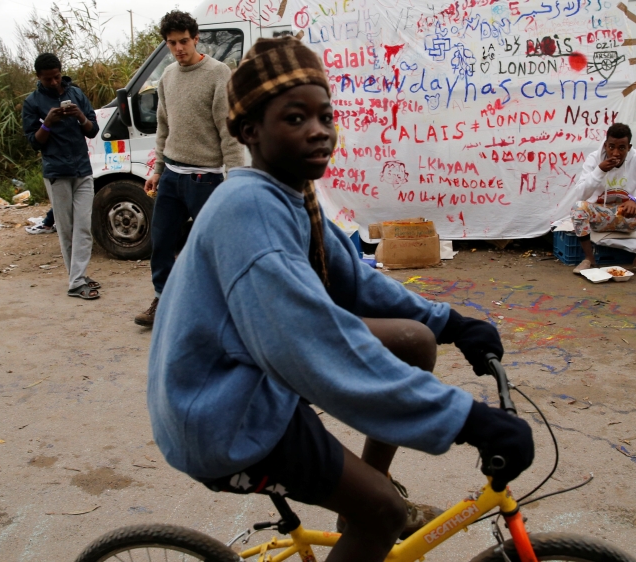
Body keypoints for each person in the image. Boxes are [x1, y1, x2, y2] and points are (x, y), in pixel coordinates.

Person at [146, 37, 534, 562]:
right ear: (249, 132)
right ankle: (369, 509)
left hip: (248, 386)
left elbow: (357, 282)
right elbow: (315, 346)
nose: (318, 130)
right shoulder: (247, 210)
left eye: (325, 116)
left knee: (413, 340)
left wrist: (451, 324)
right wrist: (466, 419)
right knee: (386, 515)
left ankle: (360, 499)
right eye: (295, 118)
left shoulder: (289, 193)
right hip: (224, 421)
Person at [135, 10, 245, 326]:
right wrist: (157, 169)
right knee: (161, 242)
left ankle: (221, 308)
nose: (179, 48)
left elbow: (227, 128)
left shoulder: (217, 72)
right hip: (171, 175)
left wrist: (235, 174)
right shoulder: (168, 76)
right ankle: (164, 301)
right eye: (173, 43)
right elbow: (163, 124)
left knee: (210, 246)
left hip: (205, 176)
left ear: (196, 39)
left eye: (184, 41)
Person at [22, 53, 101, 299]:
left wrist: (80, 116)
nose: (55, 83)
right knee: (66, 229)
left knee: (84, 225)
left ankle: (76, 278)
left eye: (57, 77)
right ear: (38, 77)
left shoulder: (75, 94)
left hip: (82, 169)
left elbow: (93, 130)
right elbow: (34, 142)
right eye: (48, 79)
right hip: (57, 172)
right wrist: (47, 123)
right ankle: (76, 280)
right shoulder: (32, 103)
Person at [569, 123, 636, 279]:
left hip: (628, 215)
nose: (615, 153)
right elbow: (581, 194)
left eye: (621, 148)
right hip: (601, 217)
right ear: (606, 145)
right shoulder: (594, 159)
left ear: (629, 147)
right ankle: (590, 259)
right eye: (611, 147)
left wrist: (635, 201)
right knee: (578, 207)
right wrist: (599, 171)